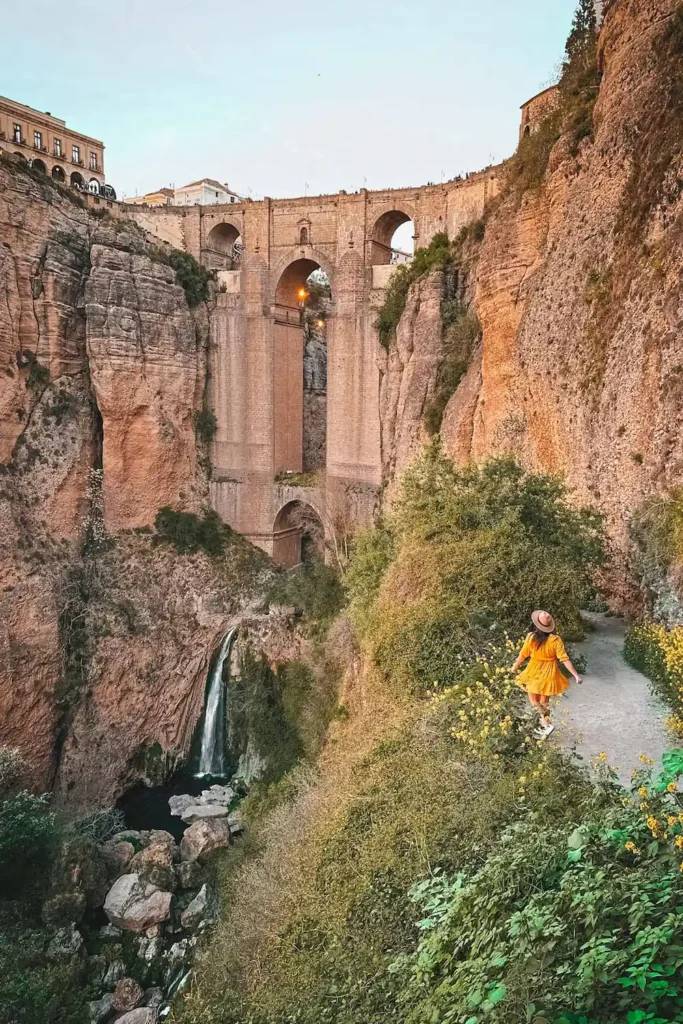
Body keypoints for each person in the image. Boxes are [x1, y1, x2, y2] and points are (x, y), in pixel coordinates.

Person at [511, 610, 582, 737]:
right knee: (544, 702)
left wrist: (514, 667)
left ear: (536, 624)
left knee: (534, 700)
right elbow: (564, 659)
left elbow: (523, 654)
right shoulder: (555, 640)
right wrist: (576, 675)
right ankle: (545, 726)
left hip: (534, 671)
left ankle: (546, 725)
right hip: (549, 673)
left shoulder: (531, 637)